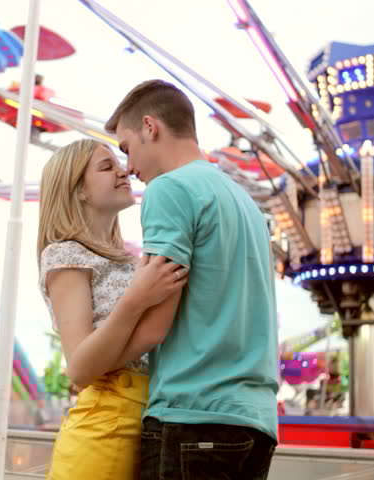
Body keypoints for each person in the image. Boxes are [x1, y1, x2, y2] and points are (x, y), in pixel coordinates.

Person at [105, 79, 280, 480]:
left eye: (127, 148)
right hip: (255, 422)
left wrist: (96, 365)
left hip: (192, 417)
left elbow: (155, 325)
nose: (128, 168)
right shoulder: (244, 202)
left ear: (150, 127)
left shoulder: (169, 190)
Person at [37, 138, 188, 479]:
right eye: (107, 168)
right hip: (103, 431)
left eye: (119, 163)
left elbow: (153, 334)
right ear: (78, 191)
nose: (123, 172)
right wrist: (137, 300)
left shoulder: (126, 260)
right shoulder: (64, 255)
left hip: (146, 421)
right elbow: (80, 368)